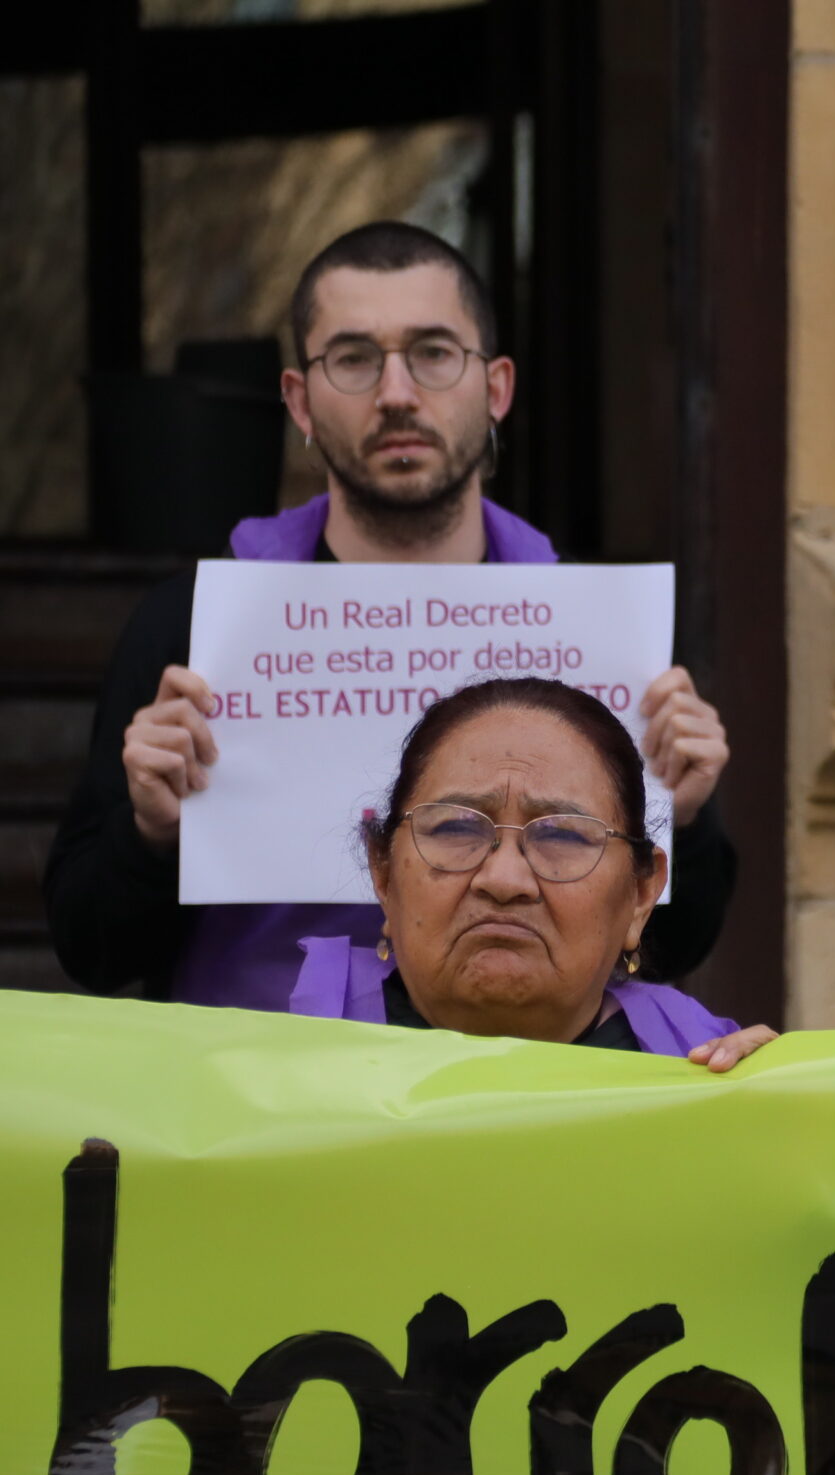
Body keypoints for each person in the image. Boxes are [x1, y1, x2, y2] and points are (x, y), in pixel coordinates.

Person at [45, 221, 738, 1008]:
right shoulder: (194, 628)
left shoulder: (594, 631)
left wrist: (683, 820)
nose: (398, 393)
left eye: (434, 353)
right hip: (254, 1072)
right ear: (300, 402)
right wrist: (151, 834)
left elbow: (675, 944)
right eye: (354, 359)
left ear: (497, 388)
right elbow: (88, 948)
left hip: (517, 1069)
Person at [289, 676, 773, 1069]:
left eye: (562, 836)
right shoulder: (272, 1082)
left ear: (642, 893)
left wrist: (777, 1114)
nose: (504, 880)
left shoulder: (714, 1083)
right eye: (457, 827)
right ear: (383, 872)